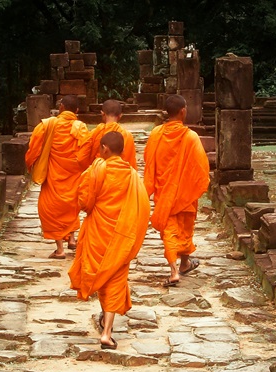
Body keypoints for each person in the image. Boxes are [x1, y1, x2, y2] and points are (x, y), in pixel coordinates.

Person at [68, 131, 150, 349]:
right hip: (122, 235)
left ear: (104, 148)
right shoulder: (132, 175)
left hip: (98, 231)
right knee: (115, 277)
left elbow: (84, 203)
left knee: (102, 274)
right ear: (122, 150)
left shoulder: (96, 170)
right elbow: (143, 207)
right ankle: (106, 332)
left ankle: (106, 324)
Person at [143, 94, 210, 287]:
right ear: (183, 112)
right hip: (185, 193)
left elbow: (149, 160)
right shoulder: (190, 137)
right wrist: (194, 185)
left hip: (165, 192)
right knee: (185, 228)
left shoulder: (156, 134)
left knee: (171, 231)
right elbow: (201, 166)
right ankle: (178, 268)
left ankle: (181, 266)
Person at [25, 95, 89, 259]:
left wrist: (31, 165)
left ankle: (60, 249)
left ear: (61, 107)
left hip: (53, 176)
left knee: (50, 210)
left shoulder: (47, 125)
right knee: (71, 206)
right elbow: (86, 153)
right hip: (73, 175)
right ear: (76, 111)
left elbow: (33, 149)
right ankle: (72, 239)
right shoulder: (81, 127)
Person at [78, 99, 137, 170]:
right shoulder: (127, 135)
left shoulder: (94, 133)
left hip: (98, 175)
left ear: (102, 113)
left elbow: (81, 158)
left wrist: (92, 170)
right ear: (120, 116)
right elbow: (130, 163)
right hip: (120, 177)